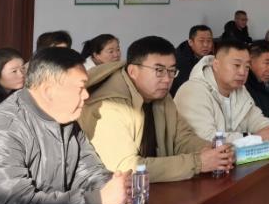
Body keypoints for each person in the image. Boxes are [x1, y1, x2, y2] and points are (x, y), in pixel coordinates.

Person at [0, 48, 129, 204]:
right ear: (48, 91)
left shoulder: (65, 118)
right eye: (80, 88)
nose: (86, 95)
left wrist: (115, 186)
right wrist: (96, 199)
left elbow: (88, 171)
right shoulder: (2, 132)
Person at [79, 36, 234, 182]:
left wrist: (214, 151)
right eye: (159, 71)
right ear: (133, 71)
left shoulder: (160, 95)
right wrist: (198, 163)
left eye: (171, 71)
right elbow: (126, 167)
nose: (167, 79)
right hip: (115, 194)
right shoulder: (109, 105)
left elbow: (182, 138)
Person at [175, 38, 269, 143]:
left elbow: (255, 118)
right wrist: (255, 138)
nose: (242, 72)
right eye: (237, 65)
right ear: (216, 65)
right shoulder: (193, 91)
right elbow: (207, 139)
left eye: (247, 67)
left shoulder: (239, 89)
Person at [171, 25, 214, 96]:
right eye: (201, 41)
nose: (206, 45)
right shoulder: (179, 61)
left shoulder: (211, 57)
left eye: (209, 41)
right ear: (190, 42)